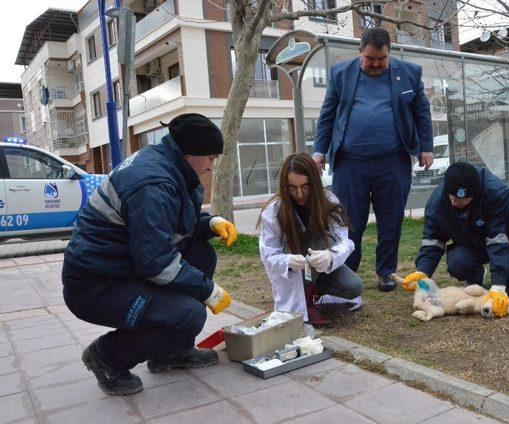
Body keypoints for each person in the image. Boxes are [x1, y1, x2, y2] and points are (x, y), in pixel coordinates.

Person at [62, 114, 238, 395]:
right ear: (191, 153)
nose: (210, 167)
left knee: (202, 255)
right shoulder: (152, 183)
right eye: (211, 158)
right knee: (189, 315)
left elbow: (169, 225)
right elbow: (155, 263)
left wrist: (210, 223)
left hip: (122, 267)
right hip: (96, 285)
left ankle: (171, 352)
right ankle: (107, 356)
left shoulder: (168, 164)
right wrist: (208, 290)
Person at [313, 27, 434, 292]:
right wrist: (319, 152)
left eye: (382, 58)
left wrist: (426, 147)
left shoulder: (409, 73)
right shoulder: (340, 74)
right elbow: (327, 116)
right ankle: (347, 272)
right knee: (348, 222)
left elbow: (421, 112)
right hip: (350, 163)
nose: (376, 64)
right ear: (360, 53)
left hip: (393, 162)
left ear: (389, 54)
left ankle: (386, 272)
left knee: (390, 220)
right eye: (370, 58)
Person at [403, 162, 509, 313]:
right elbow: (432, 241)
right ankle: (476, 275)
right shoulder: (437, 203)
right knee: (457, 262)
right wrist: (423, 272)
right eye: (451, 195)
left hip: (501, 239)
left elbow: (498, 239)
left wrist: (498, 286)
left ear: (475, 194)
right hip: (470, 243)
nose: (453, 201)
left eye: (459, 198)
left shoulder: (495, 193)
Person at [259, 153, 363, 328]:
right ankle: (305, 300)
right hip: (295, 269)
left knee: (353, 286)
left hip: (319, 264)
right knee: (312, 237)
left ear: (314, 183)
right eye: (292, 188)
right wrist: (288, 260)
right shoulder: (273, 211)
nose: (299, 194)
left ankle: (314, 291)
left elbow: (345, 241)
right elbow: (269, 255)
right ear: (285, 187)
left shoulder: (328, 201)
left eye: (305, 187)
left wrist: (330, 256)